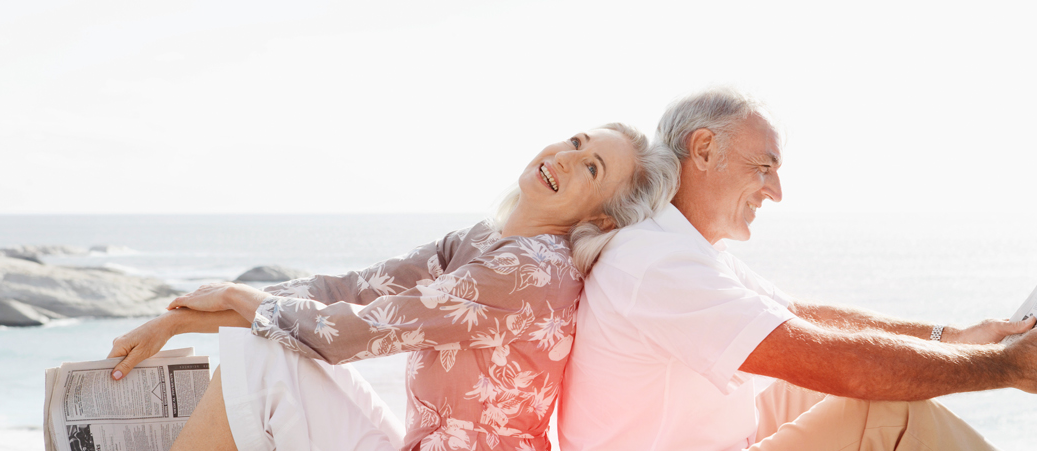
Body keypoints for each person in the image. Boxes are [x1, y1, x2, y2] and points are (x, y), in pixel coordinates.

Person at [557, 88, 1037, 451]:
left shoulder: (678, 247)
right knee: (888, 411)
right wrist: (1005, 368)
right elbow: (838, 361)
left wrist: (958, 338)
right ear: (703, 149)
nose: (776, 192)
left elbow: (804, 317)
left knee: (851, 377)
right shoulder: (657, 264)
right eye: (763, 167)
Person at [106, 122, 679, 451]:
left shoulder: (530, 273)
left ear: (603, 218)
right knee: (268, 343)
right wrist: (181, 317)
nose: (567, 157)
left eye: (592, 168)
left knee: (265, 352)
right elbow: (353, 290)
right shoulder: (486, 240)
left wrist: (234, 297)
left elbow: (349, 333)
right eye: (577, 142)